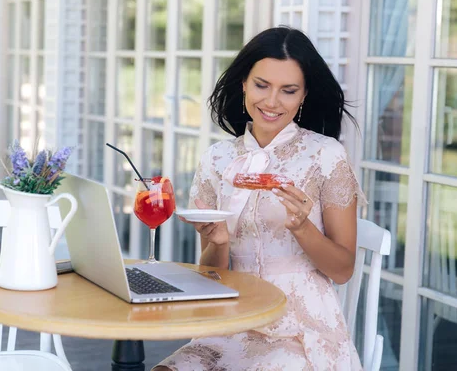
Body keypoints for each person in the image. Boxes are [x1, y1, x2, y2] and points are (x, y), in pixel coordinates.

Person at [154, 26, 366, 371]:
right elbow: (211, 276)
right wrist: (219, 243)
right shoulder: (218, 159)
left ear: (304, 95)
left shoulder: (325, 156)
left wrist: (302, 228)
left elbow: (343, 270)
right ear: (243, 84)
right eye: (261, 85)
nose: (271, 102)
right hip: (230, 320)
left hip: (299, 329)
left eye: (288, 90)